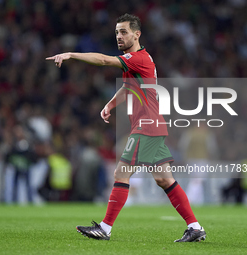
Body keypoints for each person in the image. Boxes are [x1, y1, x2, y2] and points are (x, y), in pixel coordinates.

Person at [46, 13, 206, 242]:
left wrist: (71, 54)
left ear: (136, 34)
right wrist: (110, 104)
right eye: (116, 33)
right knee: (164, 179)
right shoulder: (137, 60)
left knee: (122, 172)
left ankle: (105, 228)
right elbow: (128, 87)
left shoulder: (138, 58)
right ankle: (195, 227)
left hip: (146, 126)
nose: (119, 36)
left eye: (123, 32)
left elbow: (102, 60)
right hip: (153, 125)